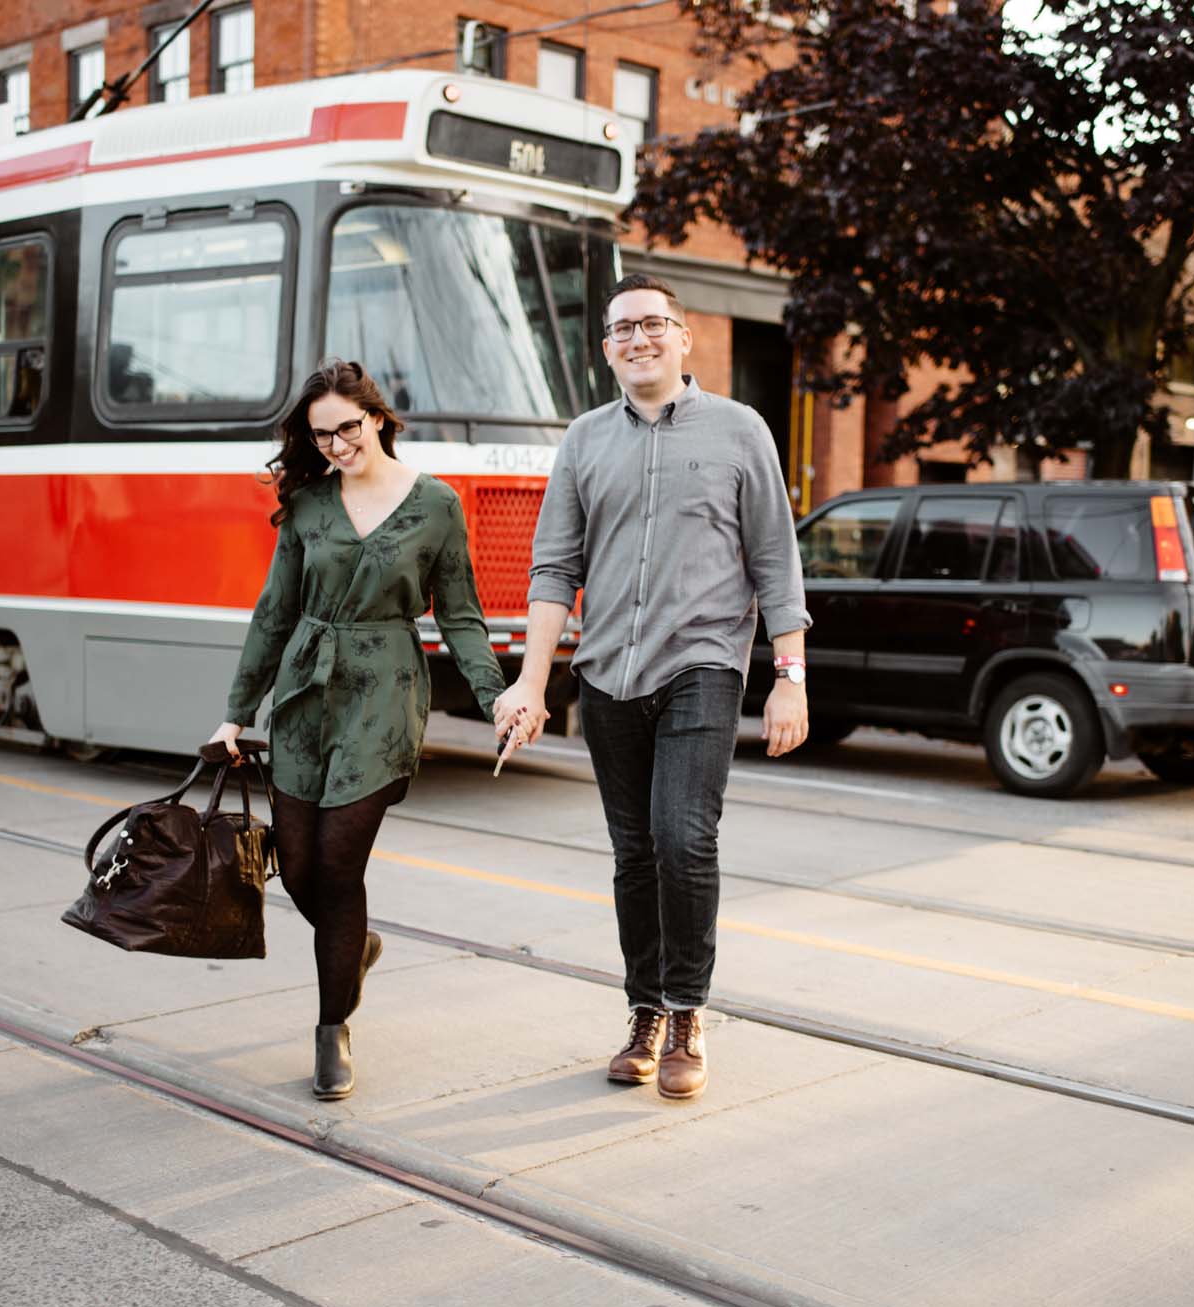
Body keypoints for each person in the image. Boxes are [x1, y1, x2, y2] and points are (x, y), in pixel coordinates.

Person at [491, 274, 811, 1101]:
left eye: (652, 324)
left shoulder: (741, 431)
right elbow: (555, 567)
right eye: (622, 329)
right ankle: (642, 1006)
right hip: (606, 675)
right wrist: (531, 682)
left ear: (684, 336)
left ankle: (685, 1011)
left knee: (682, 838)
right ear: (607, 349)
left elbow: (776, 560)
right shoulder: (585, 440)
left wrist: (789, 677)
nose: (638, 339)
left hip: (701, 664)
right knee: (634, 854)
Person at [209, 360, 533, 1101]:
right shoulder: (308, 506)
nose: (335, 445)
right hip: (302, 696)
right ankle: (354, 945)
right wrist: (237, 709)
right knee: (295, 867)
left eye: (346, 428)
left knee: (337, 861)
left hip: (383, 696)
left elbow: (460, 616)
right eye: (321, 435)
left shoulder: (436, 506)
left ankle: (332, 1029)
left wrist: (494, 699)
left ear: (377, 417)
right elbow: (273, 613)